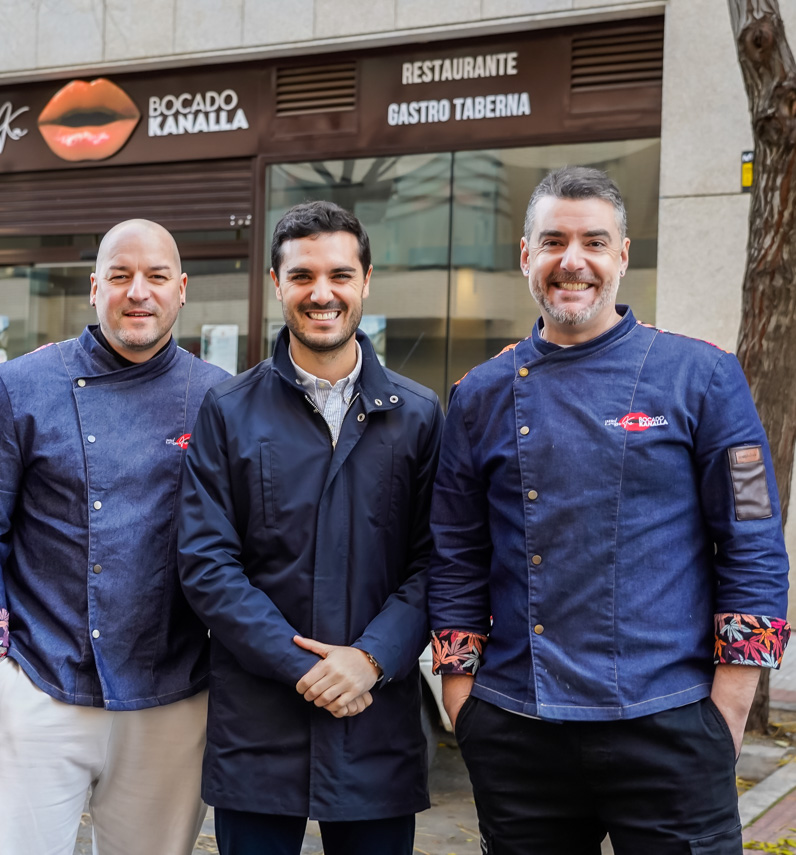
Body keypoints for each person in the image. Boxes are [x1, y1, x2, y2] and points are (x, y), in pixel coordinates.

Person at [428, 166, 791, 853]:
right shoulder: (477, 395)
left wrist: (730, 708)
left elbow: (753, 537)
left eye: (594, 241)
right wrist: (460, 699)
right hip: (516, 723)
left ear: (622, 255)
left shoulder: (706, 377)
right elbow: (455, 551)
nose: (574, 260)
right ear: (526, 257)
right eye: (554, 240)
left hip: (671, 720)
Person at [0, 219, 229, 855]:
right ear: (94, 287)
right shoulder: (19, 386)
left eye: (156, 277)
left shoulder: (218, 397)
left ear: (182, 291)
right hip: (39, 683)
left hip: (170, 693)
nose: (138, 292)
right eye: (121, 276)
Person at [177, 200, 444, 855]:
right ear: (276, 283)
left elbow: (438, 562)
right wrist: (306, 666)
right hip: (259, 728)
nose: (321, 293)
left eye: (339, 275)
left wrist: (370, 659)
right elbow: (208, 564)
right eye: (301, 276)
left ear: (366, 280)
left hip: (373, 719)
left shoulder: (418, 416)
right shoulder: (228, 410)